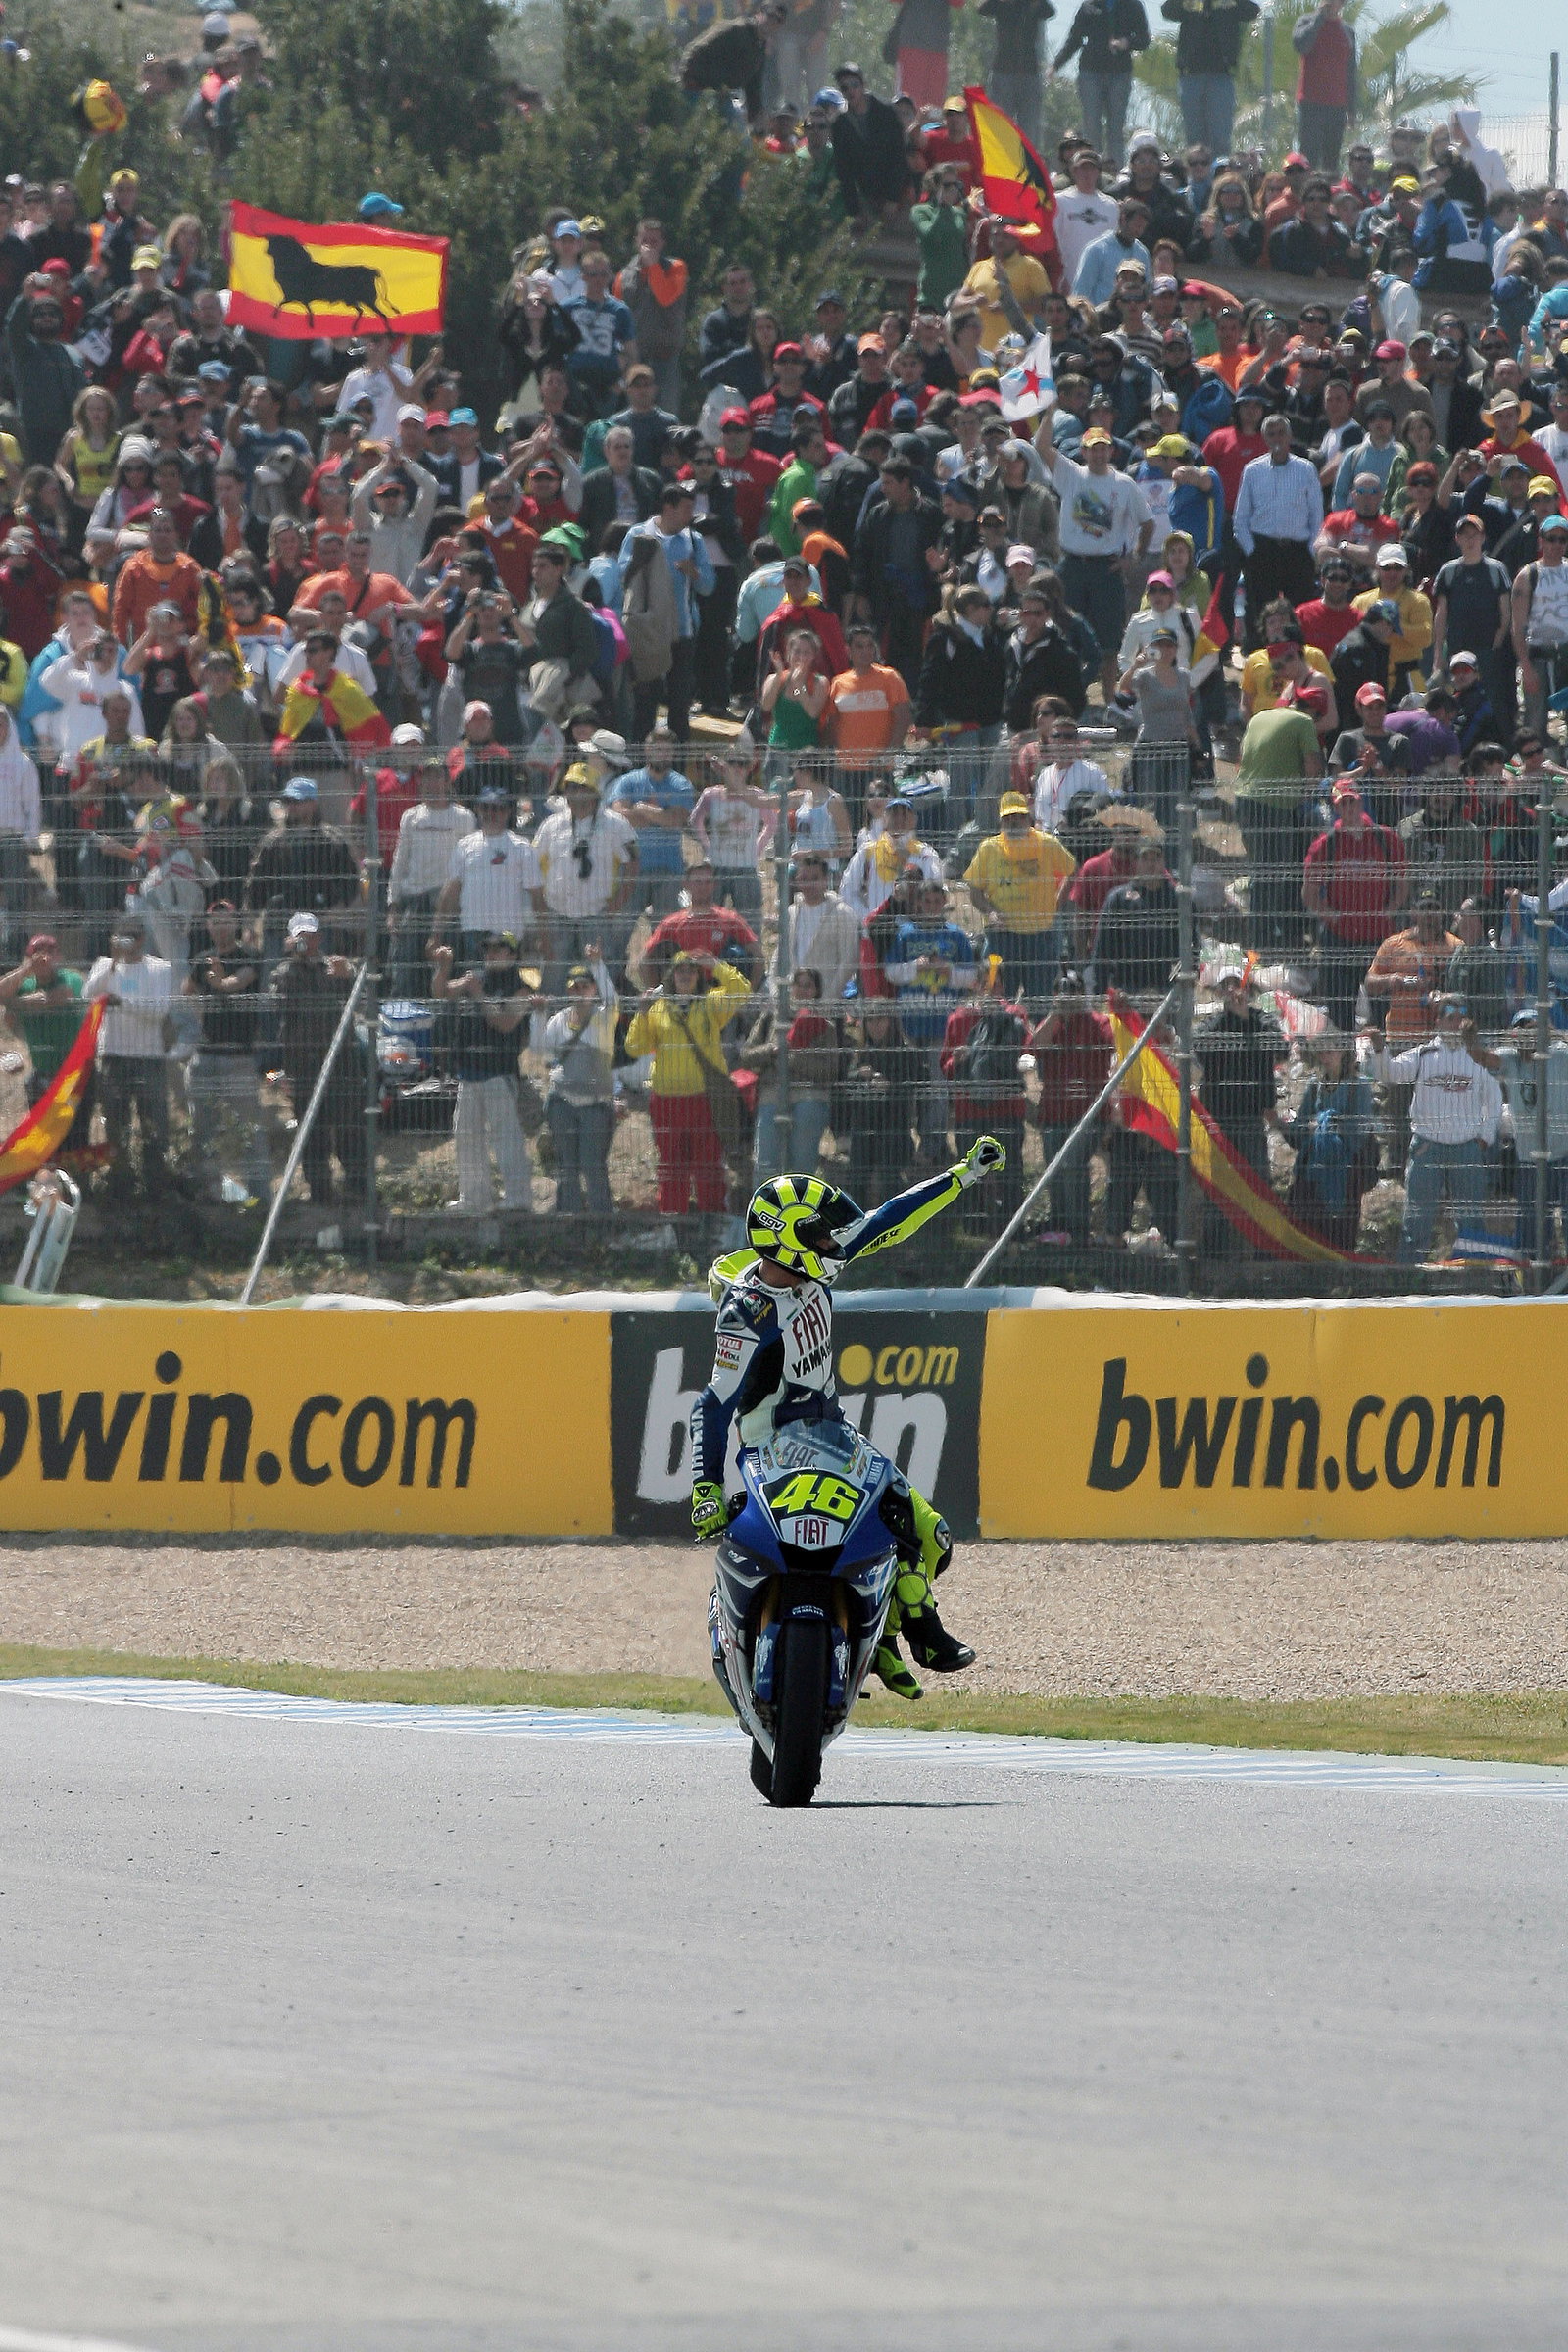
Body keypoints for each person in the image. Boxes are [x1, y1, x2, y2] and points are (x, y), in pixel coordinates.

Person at [690, 1142, 1006, 1698]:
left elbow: (889, 1220)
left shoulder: (813, 1265)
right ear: (785, 1240)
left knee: (929, 1534)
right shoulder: (748, 1309)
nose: (834, 1244)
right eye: (821, 1236)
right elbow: (713, 1403)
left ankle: (895, 1630)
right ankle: (903, 1630)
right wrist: (706, 1488)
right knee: (891, 1524)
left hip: (829, 1430)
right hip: (772, 1443)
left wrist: (962, 1175)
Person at [1362, 992, 1501, 1261]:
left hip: (1466, 1147)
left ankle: (1472, 1276)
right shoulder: (1424, 1054)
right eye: (1450, 1017)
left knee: (1471, 1220)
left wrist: (1483, 1137)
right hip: (1428, 1146)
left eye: (1461, 1017)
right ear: (1438, 1022)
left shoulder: (1478, 1057)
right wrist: (1380, 1049)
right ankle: (1410, 1280)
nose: (1456, 1023)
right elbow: (1389, 1073)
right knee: (1417, 1219)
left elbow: (1494, 1100)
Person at [624, 949, 752, 1213]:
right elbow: (635, 1047)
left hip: (703, 1098)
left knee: (707, 1165)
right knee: (671, 1167)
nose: (685, 975)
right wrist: (642, 1014)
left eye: (691, 970)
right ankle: (673, 1220)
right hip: (666, 1102)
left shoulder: (710, 1004)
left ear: (698, 976)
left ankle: (712, 1220)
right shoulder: (657, 1008)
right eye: (680, 970)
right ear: (671, 976)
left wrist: (714, 964)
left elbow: (742, 990)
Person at [430, 932, 535, 1216]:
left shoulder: (522, 988)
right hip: (468, 1072)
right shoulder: (475, 977)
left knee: (506, 1136)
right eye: (488, 948)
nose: (491, 953)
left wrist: (478, 995)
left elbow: (504, 1023)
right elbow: (441, 992)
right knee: (466, 1136)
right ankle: (474, 1198)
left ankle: (518, 1197)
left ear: (513, 955)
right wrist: (443, 968)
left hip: (499, 1075)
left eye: (500, 949)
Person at [270, 913, 367, 1207]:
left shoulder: (337, 967)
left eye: (311, 936)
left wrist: (346, 977)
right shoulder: (284, 972)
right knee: (311, 1129)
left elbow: (360, 1003)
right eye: (300, 936)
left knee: (350, 1126)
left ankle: (359, 1187)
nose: (307, 942)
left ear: (319, 937)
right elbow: (284, 1003)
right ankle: (320, 1192)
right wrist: (296, 961)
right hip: (303, 1063)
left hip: (341, 1059)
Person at [82, 910, 176, 1201]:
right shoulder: (104, 966)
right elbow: (88, 994)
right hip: (114, 1056)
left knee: (153, 1127)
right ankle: (121, 1184)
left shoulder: (161, 969)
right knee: (116, 1125)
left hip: (148, 1058)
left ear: (143, 939)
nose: (127, 942)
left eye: (132, 936)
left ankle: (155, 1185)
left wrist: (122, 1002)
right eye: (121, 936)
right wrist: (111, 962)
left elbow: (158, 1010)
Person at [181, 900, 271, 1202]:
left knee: (249, 1130)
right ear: (208, 926)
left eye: (226, 921)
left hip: (239, 1059)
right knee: (203, 1130)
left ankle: (260, 1198)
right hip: (205, 1056)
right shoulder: (202, 959)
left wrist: (220, 982)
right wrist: (201, 1017)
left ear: (236, 924)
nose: (221, 927)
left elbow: (238, 982)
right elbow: (187, 990)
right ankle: (210, 1194)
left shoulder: (251, 956)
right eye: (215, 922)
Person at [1302, 779, 1407, 1035]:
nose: (1349, 807)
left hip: (1379, 939)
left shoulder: (1386, 838)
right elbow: (1310, 892)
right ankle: (1346, 1065)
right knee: (1340, 1010)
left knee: (1384, 1009)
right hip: (1340, 938)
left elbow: (1403, 882)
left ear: (1361, 802)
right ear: (1336, 808)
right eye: (1343, 803)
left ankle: (1381, 1063)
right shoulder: (1326, 844)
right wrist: (1332, 917)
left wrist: (1389, 911)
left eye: (1353, 801)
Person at [963, 791, 1076, 1005]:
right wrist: (991, 912)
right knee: (998, 1000)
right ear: (1000, 821)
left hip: (1042, 935)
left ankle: (1037, 1038)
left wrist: (1059, 900)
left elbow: (1072, 870)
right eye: (1008, 818)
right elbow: (975, 891)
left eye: (1019, 817)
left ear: (1028, 818)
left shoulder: (1048, 844)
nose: (1014, 823)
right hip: (1002, 937)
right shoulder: (988, 848)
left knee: (1040, 1001)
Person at [741, 965, 841, 1181]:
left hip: (810, 1096)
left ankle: (800, 1210)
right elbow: (746, 1056)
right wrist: (772, 1050)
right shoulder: (770, 1019)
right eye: (797, 984)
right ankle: (764, 1212)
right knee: (766, 1166)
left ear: (817, 991)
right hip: (772, 1095)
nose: (801, 990)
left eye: (808, 986)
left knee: (801, 1168)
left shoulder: (825, 1027)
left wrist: (790, 1059)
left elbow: (830, 1070)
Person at [1280, 1029, 1377, 1250]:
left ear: (1343, 1051)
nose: (1325, 1054)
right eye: (1321, 1050)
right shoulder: (1316, 1086)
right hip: (1314, 1170)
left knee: (1341, 1234)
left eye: (1330, 1048)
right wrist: (1281, 1125)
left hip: (1345, 1172)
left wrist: (1327, 1125)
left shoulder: (1358, 1086)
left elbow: (1359, 1130)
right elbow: (1301, 1129)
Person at [543, 952, 618, 1216]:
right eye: (575, 987)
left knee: (592, 1164)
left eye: (585, 986)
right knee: (567, 1165)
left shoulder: (604, 1017)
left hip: (595, 1105)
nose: (580, 991)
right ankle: (569, 1217)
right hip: (562, 1101)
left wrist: (597, 963)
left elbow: (612, 998)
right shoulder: (558, 1020)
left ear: (594, 989)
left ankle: (601, 1220)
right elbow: (546, 1054)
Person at [1051, 0, 1151, 171]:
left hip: (1120, 73)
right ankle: (1090, 170)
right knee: (1091, 127)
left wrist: (1127, 43)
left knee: (1116, 128)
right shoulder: (1089, 5)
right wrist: (1056, 65)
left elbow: (1144, 39)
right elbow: (1074, 39)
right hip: (1090, 73)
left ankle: (1116, 173)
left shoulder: (1132, 5)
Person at [1161, 0, 1257, 155]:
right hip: (1191, 75)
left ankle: (1219, 175)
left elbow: (1251, 11)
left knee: (1220, 139)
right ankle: (1197, 177)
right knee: (1194, 139)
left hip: (1221, 76)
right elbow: (1168, 11)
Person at [1292, 0, 1356, 174]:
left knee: (1331, 159)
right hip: (1311, 102)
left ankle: (1329, 193)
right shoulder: (1306, 22)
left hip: (1337, 105)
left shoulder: (1347, 31)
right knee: (1309, 155)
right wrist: (1319, 19)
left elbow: (1351, 72)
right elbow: (1302, 45)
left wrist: (1352, 109)